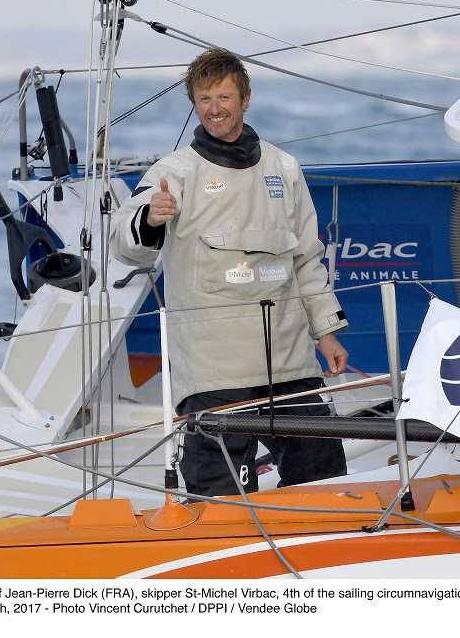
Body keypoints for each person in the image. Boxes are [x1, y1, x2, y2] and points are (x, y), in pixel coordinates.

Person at [111, 47, 349, 497]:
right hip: (213, 376)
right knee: (220, 506)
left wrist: (327, 332)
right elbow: (125, 246)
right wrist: (149, 218)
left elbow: (306, 259)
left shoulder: (285, 168)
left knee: (326, 485)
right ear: (194, 104)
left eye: (224, 97)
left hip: (290, 365)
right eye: (204, 99)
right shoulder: (174, 172)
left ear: (245, 99)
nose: (214, 109)